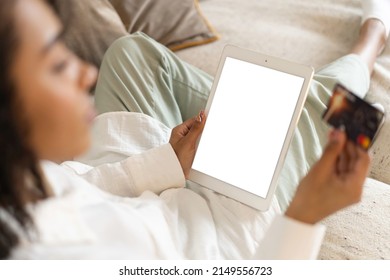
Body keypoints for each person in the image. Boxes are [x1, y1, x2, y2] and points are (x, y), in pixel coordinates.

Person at [0, 0, 387, 259]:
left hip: (146, 179)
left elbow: (77, 187)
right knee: (312, 103)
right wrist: (304, 215)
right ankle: (371, 40)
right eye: (56, 65)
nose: (86, 72)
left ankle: (264, 107)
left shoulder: (14, 192)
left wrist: (166, 162)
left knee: (131, 53)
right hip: (218, 235)